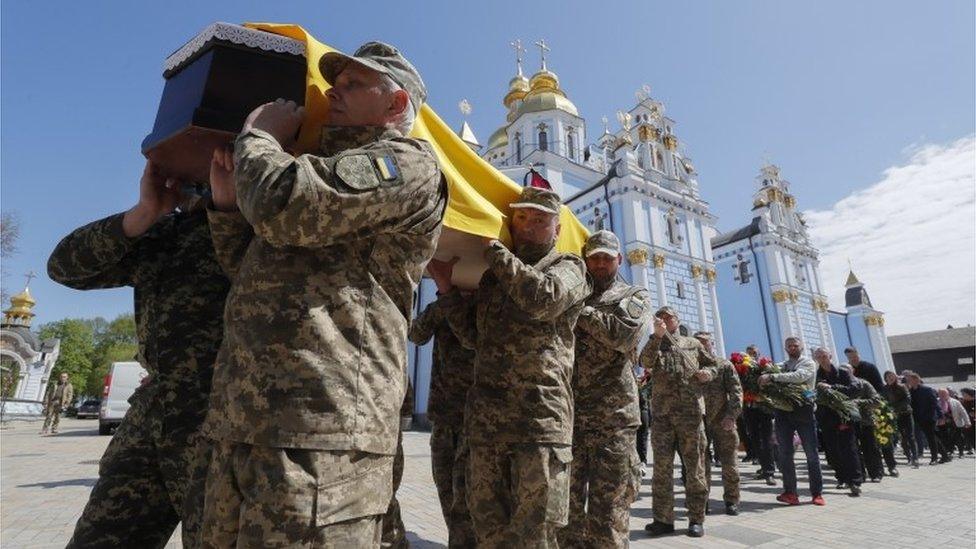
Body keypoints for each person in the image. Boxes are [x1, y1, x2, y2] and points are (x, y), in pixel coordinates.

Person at [200, 42, 447, 547]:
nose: (335, 91)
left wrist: (259, 137)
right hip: (242, 421)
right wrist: (227, 209)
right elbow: (247, 272)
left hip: (324, 433)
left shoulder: (408, 163)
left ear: (396, 104)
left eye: (355, 84)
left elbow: (285, 204)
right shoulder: (308, 162)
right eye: (338, 82)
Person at [49, 156, 230, 547]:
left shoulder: (265, 229)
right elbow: (64, 267)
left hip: (224, 422)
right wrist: (144, 212)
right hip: (154, 417)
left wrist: (230, 205)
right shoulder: (166, 234)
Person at [428, 186, 590, 547]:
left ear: (557, 229)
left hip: (538, 425)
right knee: (488, 531)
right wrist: (446, 291)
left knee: (534, 534)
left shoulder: (569, 267)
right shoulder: (491, 278)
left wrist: (496, 251)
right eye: (521, 218)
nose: (528, 226)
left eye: (539, 220)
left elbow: (542, 299)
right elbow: (473, 337)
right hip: (486, 425)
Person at [560, 231, 650, 548]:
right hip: (571, 415)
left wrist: (578, 310)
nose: (599, 264)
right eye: (594, 257)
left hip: (614, 419)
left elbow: (620, 336)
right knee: (565, 509)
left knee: (609, 511)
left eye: (606, 258)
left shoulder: (634, 295)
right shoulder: (574, 292)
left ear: (618, 260)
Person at [640, 307, 717, 538]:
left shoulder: (692, 344)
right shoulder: (655, 343)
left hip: (690, 416)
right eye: (661, 318)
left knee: (694, 469)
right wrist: (656, 336)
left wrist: (708, 374)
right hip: (662, 417)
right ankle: (663, 519)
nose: (665, 321)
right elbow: (644, 361)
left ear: (677, 320)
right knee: (661, 471)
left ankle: (696, 519)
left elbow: (712, 365)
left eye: (669, 317)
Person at [407, 300, 477, 548]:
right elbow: (416, 335)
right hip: (443, 415)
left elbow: (473, 339)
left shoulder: (489, 302)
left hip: (477, 421)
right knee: (446, 488)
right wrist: (442, 305)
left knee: (470, 496)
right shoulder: (442, 307)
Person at [758, 337, 825, 506]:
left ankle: (817, 493)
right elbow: (769, 370)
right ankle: (790, 492)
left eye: (795, 345)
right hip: (783, 412)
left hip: (804, 410)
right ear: (786, 348)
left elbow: (799, 376)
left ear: (801, 347)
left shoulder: (808, 363)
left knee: (811, 454)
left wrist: (772, 377)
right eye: (789, 346)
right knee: (785, 454)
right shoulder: (783, 364)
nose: (792, 348)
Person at [697, 332, 743, 516]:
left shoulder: (724, 365)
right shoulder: (692, 367)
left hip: (723, 420)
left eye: (705, 343)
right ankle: (702, 500)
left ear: (711, 344)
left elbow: (736, 391)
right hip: (698, 421)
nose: (702, 346)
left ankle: (732, 500)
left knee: (729, 463)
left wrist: (731, 416)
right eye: (698, 343)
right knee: (700, 464)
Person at [814, 348, 863, 497]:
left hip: (843, 416)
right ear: (816, 359)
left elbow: (854, 389)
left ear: (830, 356)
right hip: (826, 419)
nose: (823, 359)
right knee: (833, 450)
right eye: (819, 357)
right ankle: (841, 478)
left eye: (825, 356)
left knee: (849, 449)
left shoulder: (842, 373)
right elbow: (810, 393)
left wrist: (832, 388)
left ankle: (855, 481)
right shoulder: (816, 377)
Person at [841, 365, 885, 482]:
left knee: (870, 448)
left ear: (852, 371)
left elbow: (877, 401)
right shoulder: (841, 387)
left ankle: (876, 473)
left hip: (866, 421)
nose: (845, 373)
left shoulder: (864, 384)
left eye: (847, 370)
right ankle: (860, 475)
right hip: (849, 422)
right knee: (853, 449)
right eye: (842, 371)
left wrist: (858, 402)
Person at [743, 344, 776, 484]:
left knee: (766, 439)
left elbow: (773, 384)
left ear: (759, 353)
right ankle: (764, 467)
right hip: (749, 408)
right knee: (755, 438)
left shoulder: (766, 366)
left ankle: (769, 472)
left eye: (754, 352)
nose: (752, 354)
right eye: (749, 353)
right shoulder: (743, 368)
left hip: (764, 408)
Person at [905, 372, 946, 465]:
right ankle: (944, 455)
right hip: (918, 418)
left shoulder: (927, 390)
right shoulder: (910, 391)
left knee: (930, 438)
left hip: (929, 417)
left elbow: (935, 404)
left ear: (917, 380)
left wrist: (940, 416)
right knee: (931, 437)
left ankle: (934, 458)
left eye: (910, 380)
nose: (908, 382)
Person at [883, 370, 918, 467]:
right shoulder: (885, 389)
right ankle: (909, 457)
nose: (891, 378)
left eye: (892, 376)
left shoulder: (902, 386)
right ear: (885, 378)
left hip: (906, 413)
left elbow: (908, 399)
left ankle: (915, 458)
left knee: (911, 436)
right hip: (895, 416)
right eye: (888, 376)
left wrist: (895, 408)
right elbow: (884, 401)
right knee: (903, 437)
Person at [937, 388, 971, 460]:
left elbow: (963, 412)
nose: (941, 395)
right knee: (946, 438)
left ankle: (961, 452)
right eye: (940, 394)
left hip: (955, 422)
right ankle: (949, 451)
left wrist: (967, 422)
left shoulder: (955, 402)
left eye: (943, 394)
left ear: (947, 394)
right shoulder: (937, 402)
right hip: (943, 423)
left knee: (959, 438)